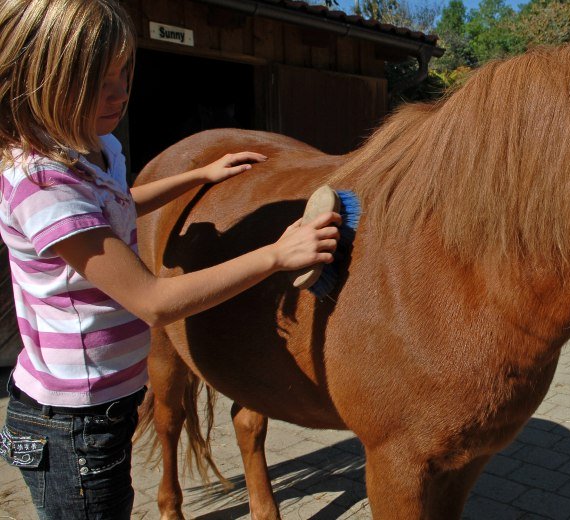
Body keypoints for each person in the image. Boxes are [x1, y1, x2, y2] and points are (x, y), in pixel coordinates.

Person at [0, 0, 341, 517]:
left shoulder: (92, 151)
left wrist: (197, 177)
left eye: (123, 72)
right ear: (40, 77)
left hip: (103, 405)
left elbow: (112, 210)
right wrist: (277, 254)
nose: (119, 93)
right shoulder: (44, 185)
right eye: (96, 81)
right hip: (70, 423)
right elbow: (154, 301)